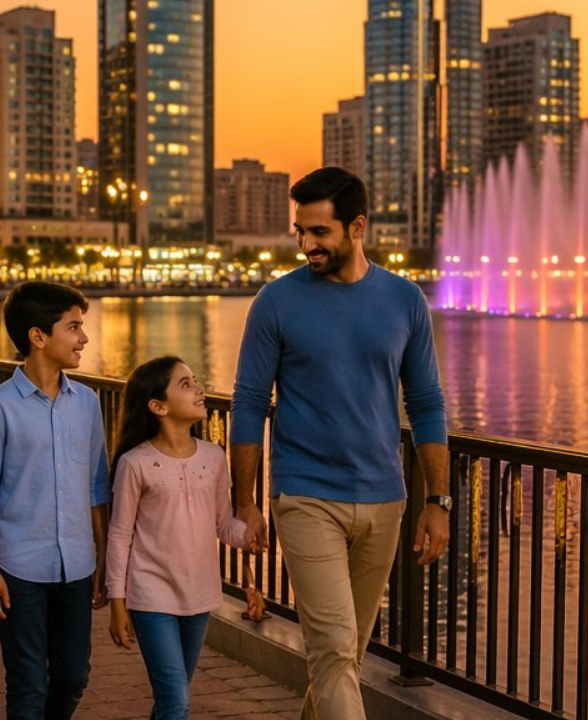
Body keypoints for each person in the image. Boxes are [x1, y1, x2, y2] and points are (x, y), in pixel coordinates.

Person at [229, 166, 451, 719]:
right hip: (305, 497)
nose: (306, 244)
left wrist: (437, 501)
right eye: (300, 231)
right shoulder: (275, 303)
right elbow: (250, 403)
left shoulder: (405, 301)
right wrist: (246, 501)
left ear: (357, 227)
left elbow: (426, 405)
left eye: (319, 232)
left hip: (385, 500)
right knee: (331, 651)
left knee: (343, 658)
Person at [0, 281, 111, 720]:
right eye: (73, 327)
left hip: (77, 565)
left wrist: (103, 559)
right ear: (38, 336)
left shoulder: (87, 403)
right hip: (19, 566)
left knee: (72, 676)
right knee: (27, 685)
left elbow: (96, 487)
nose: (83, 338)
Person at [104, 356, 253, 720]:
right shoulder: (135, 464)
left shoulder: (214, 457)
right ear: (158, 406)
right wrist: (117, 602)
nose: (199, 389)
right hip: (151, 595)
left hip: (200, 594)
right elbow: (120, 535)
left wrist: (250, 535)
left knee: (174, 698)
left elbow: (222, 524)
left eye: (196, 380)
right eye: (185, 384)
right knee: (176, 702)